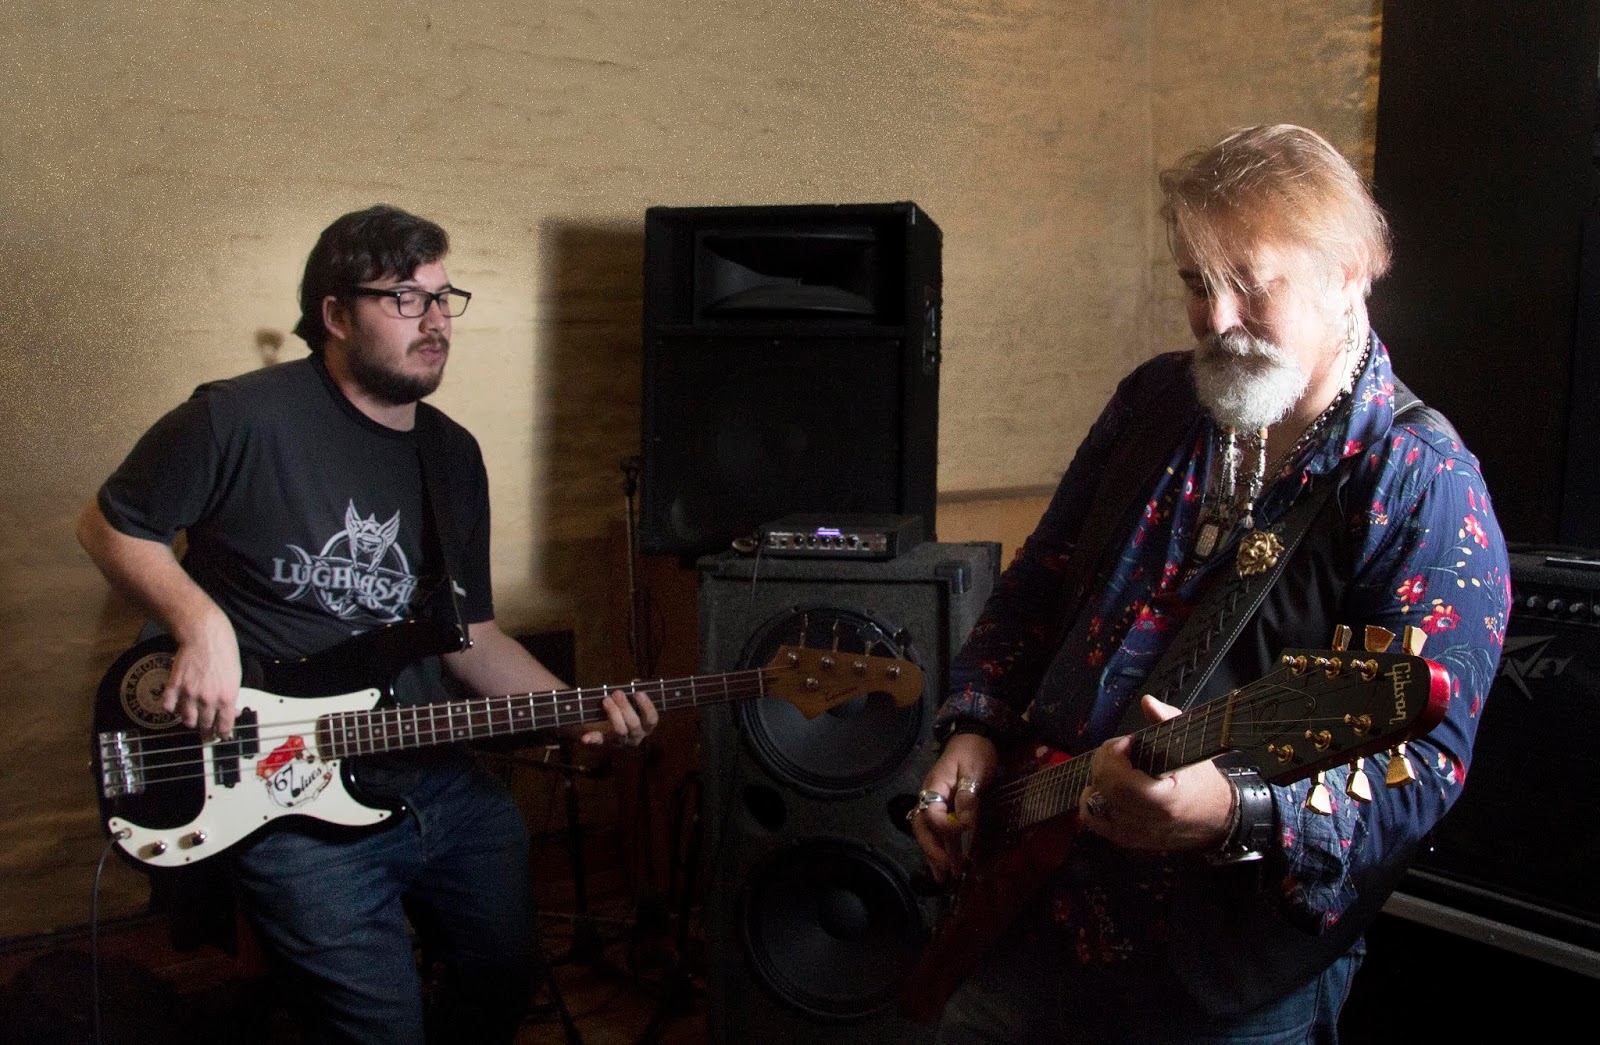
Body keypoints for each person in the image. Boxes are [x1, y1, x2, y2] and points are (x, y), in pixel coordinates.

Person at [910, 125, 1509, 1043]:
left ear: (1348, 272)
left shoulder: (1424, 484)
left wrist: (1231, 810)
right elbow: (1039, 581)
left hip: (1215, 981)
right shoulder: (1153, 399)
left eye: (1250, 283)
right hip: (1025, 902)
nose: (1217, 319)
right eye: (1196, 282)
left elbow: (1423, 770)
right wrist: (975, 726)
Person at [78, 204, 659, 1044]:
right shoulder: (239, 417)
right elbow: (109, 525)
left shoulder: (451, 456)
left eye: (444, 297)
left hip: (431, 773)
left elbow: (473, 636)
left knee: (505, 977)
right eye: (405, 298)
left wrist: (577, 711)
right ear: (336, 313)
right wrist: (200, 624)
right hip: (286, 790)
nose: (436, 321)